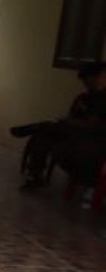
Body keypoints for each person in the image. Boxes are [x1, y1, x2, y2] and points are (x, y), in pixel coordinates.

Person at [13, 62, 106, 191]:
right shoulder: (84, 97)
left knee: (50, 128)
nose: (86, 84)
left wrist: (70, 121)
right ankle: (35, 176)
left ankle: (36, 127)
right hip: (73, 131)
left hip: (89, 136)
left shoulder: (102, 99)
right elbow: (73, 115)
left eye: (88, 80)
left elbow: (92, 124)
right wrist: (69, 120)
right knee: (42, 137)